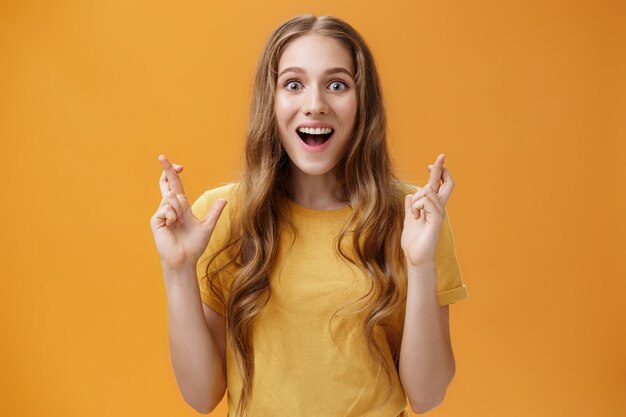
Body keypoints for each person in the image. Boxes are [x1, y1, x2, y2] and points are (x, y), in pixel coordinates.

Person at [150, 14, 469, 417]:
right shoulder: (222, 217)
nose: (315, 105)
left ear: (362, 102)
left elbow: (428, 396)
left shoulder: (415, 216)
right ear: (272, 100)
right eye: (294, 84)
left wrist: (420, 267)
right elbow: (201, 395)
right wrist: (178, 269)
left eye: (337, 85)